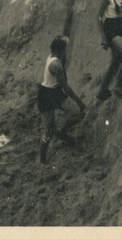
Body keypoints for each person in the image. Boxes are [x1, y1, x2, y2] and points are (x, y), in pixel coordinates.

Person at [37, 36, 86, 164]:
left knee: (79, 113)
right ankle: (42, 160)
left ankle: (62, 132)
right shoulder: (55, 65)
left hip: (54, 92)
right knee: (48, 130)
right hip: (47, 96)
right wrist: (79, 101)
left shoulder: (53, 56)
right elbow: (66, 88)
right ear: (61, 50)